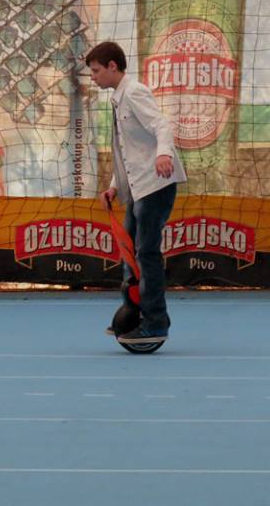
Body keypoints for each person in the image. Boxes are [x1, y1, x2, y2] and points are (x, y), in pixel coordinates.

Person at [87, 41, 186, 344]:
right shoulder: (117, 99)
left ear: (112, 66)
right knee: (129, 251)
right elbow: (127, 152)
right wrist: (114, 186)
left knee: (146, 253)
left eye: (96, 71)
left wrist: (164, 154)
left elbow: (161, 125)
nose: (93, 77)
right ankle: (133, 312)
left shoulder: (134, 92)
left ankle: (155, 323)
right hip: (137, 187)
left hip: (156, 184)